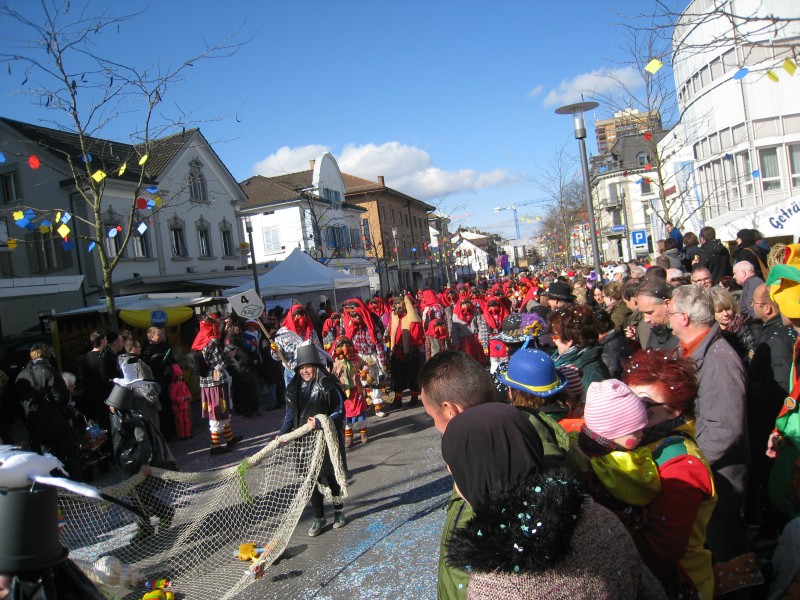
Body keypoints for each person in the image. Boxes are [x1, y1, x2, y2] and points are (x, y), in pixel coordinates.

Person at [442, 402, 667, 600]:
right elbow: (650, 590)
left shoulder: (494, 583)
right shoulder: (598, 516)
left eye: (455, 472)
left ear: (474, 476)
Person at [622, 349, 717, 599]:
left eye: (643, 404)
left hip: (679, 586)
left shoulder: (683, 465)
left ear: (674, 410)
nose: (630, 410)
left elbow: (661, 550)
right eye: (626, 399)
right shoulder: (641, 441)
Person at [670, 284, 749, 560]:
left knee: (726, 558)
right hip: (705, 478)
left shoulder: (719, 360)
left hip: (718, 482)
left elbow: (724, 430)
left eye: (670, 313)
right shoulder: (690, 350)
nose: (668, 319)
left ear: (684, 318)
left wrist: (688, 465)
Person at [417, 350, 505, 599]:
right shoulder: (510, 442)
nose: (435, 425)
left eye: (432, 417)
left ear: (450, 410)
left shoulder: (487, 485)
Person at [277, 344, 347, 537]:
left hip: (326, 439)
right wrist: (283, 434)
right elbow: (290, 415)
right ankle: (319, 517)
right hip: (304, 441)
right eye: (301, 367)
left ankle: (339, 511)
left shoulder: (328, 385)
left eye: (308, 366)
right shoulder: (293, 389)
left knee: (331, 476)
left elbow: (340, 411)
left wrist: (321, 422)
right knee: (311, 480)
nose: (305, 371)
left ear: (316, 366)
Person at [105, 383, 177, 543]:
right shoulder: (117, 418)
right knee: (136, 495)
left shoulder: (134, 419)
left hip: (136, 462)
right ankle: (156, 517)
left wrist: (145, 462)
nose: (109, 408)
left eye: (112, 405)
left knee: (138, 494)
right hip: (127, 463)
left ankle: (155, 519)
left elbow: (143, 442)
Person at [15, 343, 82, 480]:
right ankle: (73, 482)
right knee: (69, 452)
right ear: (47, 355)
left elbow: (19, 402)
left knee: (45, 456)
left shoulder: (21, 375)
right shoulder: (49, 371)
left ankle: (53, 484)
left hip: (34, 423)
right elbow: (62, 397)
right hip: (53, 420)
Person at [190, 316, 243, 456]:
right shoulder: (212, 341)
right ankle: (215, 446)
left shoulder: (199, 339)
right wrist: (230, 355)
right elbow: (220, 364)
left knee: (220, 410)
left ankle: (229, 438)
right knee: (218, 411)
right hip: (215, 381)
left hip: (205, 381)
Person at [548, 304, 610, 400]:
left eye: (555, 336)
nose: (553, 340)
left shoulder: (592, 374)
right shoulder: (563, 358)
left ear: (569, 339)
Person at [331, 336, 369, 448]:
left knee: (361, 413)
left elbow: (364, 365)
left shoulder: (356, 357)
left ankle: (363, 433)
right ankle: (348, 437)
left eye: (347, 345)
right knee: (347, 416)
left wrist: (364, 371)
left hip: (356, 390)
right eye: (341, 346)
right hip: (344, 393)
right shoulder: (335, 361)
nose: (345, 348)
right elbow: (330, 374)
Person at [140, 327, 177, 439]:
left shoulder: (165, 345)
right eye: (158, 334)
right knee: (158, 407)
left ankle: (171, 431)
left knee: (167, 405)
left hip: (165, 379)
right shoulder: (146, 348)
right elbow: (145, 365)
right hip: (154, 381)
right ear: (152, 336)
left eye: (161, 334)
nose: (161, 336)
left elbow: (172, 359)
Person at [389, 295, 424, 409]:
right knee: (397, 377)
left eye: (398, 303)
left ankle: (414, 397)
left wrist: (411, 351)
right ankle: (398, 399)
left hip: (410, 352)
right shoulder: (394, 318)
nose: (396, 306)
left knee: (413, 376)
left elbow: (416, 336)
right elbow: (390, 333)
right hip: (397, 352)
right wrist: (391, 349)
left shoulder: (411, 318)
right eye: (395, 304)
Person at [708, 286, 757, 362]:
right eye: (720, 311)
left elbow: (753, 352)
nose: (725, 314)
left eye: (727, 309)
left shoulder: (745, 325)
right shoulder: (711, 332)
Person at [636, 280, 678, 350]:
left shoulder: (684, 333)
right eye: (643, 313)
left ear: (667, 304)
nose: (646, 320)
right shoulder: (657, 332)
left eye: (650, 313)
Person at [81, 330, 109, 428]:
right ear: (101, 341)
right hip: (102, 395)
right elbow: (104, 378)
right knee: (106, 422)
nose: (107, 341)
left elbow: (85, 377)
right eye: (105, 339)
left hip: (91, 394)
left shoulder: (86, 357)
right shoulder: (102, 357)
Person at [450, 297, 488, 366]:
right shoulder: (455, 315)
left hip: (475, 338)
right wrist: (456, 342)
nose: (466, 305)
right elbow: (454, 330)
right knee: (467, 358)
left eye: (467, 303)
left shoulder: (475, 311)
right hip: (464, 339)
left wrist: (481, 337)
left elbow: (480, 324)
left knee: (478, 358)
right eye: (463, 304)